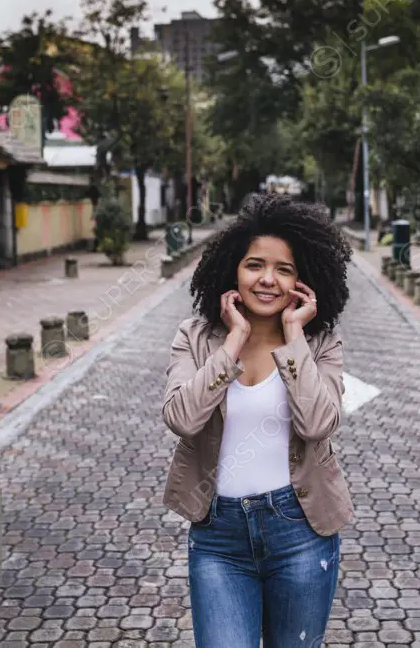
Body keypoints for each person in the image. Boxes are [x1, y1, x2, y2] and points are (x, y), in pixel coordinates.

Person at [161, 193, 354, 648]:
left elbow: (319, 424)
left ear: (302, 281)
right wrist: (233, 342)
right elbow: (181, 418)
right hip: (218, 538)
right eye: (254, 265)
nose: (267, 279)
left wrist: (293, 338)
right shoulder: (195, 337)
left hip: (300, 532)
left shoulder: (319, 342)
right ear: (233, 270)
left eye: (283, 270)